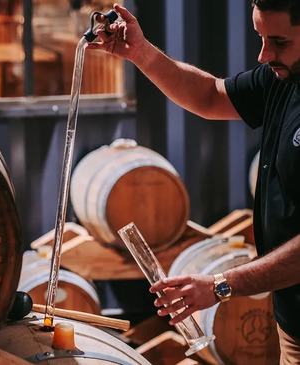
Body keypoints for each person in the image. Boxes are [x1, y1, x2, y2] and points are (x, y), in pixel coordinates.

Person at [87, 1, 300, 363]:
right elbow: (210, 95)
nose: (264, 55)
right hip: (293, 324)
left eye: (278, 42)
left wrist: (220, 284)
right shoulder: (285, 77)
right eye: (260, 38)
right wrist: (143, 53)